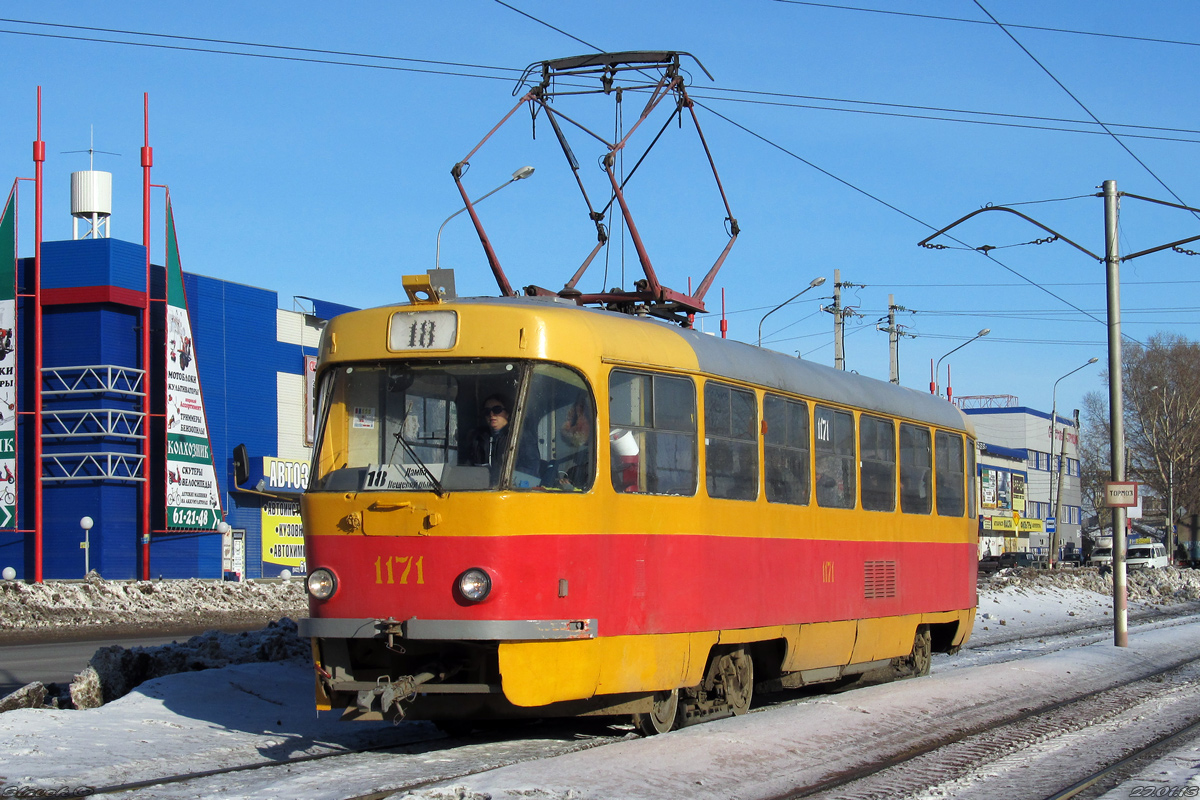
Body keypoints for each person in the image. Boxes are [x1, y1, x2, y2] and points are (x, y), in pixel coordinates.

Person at [471, 394, 540, 485]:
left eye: (497, 410)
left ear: (507, 413)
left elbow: (531, 469)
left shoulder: (521, 437)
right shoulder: (479, 439)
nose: (491, 415)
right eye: (487, 411)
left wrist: (503, 476)